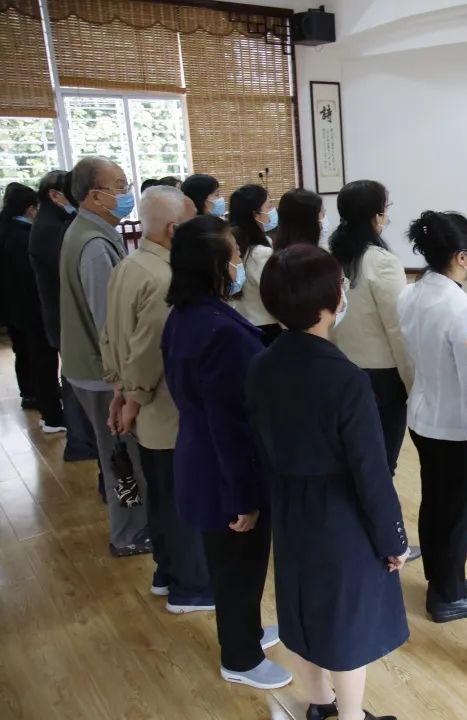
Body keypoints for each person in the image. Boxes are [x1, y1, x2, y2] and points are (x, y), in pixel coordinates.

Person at [248, 245, 408, 720]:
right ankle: (351, 716)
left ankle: (320, 705)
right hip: (341, 514)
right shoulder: (346, 379)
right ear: (329, 301)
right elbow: (371, 472)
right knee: (347, 622)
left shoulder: (261, 364)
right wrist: (393, 538)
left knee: (302, 610)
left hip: (289, 506)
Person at [161, 214, 291, 690]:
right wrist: (244, 499)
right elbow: (231, 425)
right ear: (215, 265)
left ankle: (248, 632)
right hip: (225, 473)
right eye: (235, 257)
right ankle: (240, 656)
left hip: (202, 457)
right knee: (238, 567)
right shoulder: (220, 332)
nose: (239, 265)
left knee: (235, 564)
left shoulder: (188, 316)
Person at [99, 186, 212, 612]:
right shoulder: (165, 278)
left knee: (162, 495)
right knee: (182, 499)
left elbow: (111, 336)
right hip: (163, 407)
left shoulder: (130, 264)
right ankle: (191, 588)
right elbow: (148, 352)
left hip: (140, 403)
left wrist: (118, 390)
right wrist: (132, 397)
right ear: (174, 229)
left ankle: (166, 572)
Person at [58, 156, 151, 557]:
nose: (127, 193)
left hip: (94, 369)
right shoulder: (94, 246)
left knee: (120, 453)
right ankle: (129, 535)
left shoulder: (89, 230)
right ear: (95, 196)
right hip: (101, 376)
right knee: (122, 457)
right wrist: (122, 386)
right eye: (120, 186)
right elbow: (107, 325)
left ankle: (134, 528)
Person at [398, 210, 467, 623]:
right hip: (454, 428)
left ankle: (441, 579)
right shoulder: (462, 310)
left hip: (422, 417)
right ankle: (447, 594)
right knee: (457, 513)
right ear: (461, 258)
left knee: (435, 504)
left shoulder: (411, 294)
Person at [328, 180, 418, 559]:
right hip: (381, 381)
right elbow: (399, 330)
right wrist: (413, 384)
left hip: (340, 372)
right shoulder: (380, 261)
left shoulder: (332, 254)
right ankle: (382, 542)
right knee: (381, 468)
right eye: (386, 208)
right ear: (376, 216)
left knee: (353, 463)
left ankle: (356, 539)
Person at [29, 171, 98, 461]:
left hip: (63, 312)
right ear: (55, 195)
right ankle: (80, 442)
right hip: (62, 313)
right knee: (74, 377)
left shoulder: (57, 222)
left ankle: (83, 439)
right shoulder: (51, 227)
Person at [1, 182, 64, 430]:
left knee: (26, 353)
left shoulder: (7, 230)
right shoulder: (24, 236)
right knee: (43, 360)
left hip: (14, 308)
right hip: (33, 308)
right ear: (30, 209)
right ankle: (50, 412)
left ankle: (30, 394)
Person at [228, 184, 280, 345]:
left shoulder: (233, 243)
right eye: (269, 206)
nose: (273, 210)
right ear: (255, 214)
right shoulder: (259, 253)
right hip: (266, 328)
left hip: (242, 323)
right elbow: (276, 296)